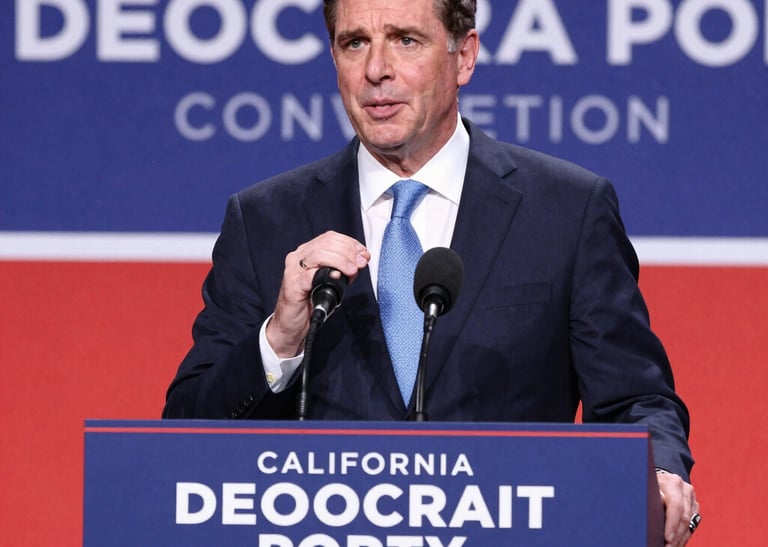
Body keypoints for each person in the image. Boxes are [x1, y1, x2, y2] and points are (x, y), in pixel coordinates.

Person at [162, 0, 700, 544]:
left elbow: (635, 397)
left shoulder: (566, 210)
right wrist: (279, 338)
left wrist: (655, 471)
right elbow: (185, 432)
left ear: (464, 56)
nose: (376, 70)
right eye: (355, 43)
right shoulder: (264, 220)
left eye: (405, 40)